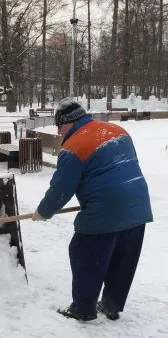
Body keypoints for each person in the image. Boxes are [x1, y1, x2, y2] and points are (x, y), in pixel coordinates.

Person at [32, 98, 153, 321]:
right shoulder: (117, 130)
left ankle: (83, 308)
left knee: (83, 252)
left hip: (105, 207)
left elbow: (61, 189)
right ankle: (111, 304)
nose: (58, 131)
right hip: (138, 205)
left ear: (69, 122)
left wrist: (43, 212)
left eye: (59, 125)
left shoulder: (73, 146)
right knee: (122, 257)